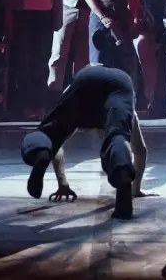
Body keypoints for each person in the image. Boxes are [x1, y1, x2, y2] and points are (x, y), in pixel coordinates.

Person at [21, 65, 154, 220]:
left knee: (51, 134)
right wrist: (135, 189)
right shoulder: (125, 101)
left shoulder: (75, 91)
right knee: (118, 135)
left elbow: (57, 145)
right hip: (120, 84)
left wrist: (62, 183)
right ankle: (122, 179)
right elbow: (140, 151)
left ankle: (38, 151)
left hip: (84, 81)